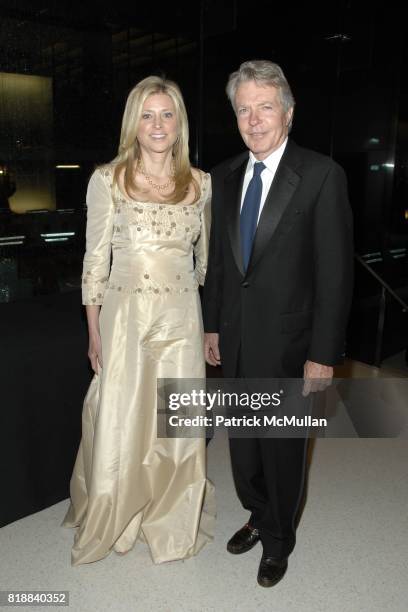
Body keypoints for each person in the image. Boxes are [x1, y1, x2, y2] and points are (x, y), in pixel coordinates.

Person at [203, 60, 353, 587]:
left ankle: (280, 539)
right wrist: (212, 327)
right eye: (244, 109)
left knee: (283, 447)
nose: (254, 119)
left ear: (287, 112)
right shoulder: (222, 177)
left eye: (265, 106)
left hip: (293, 346)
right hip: (237, 340)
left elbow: (334, 276)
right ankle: (258, 513)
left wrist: (323, 354)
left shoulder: (320, 175)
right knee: (243, 443)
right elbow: (222, 264)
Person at [62, 76, 215, 565]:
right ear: (134, 123)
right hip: (125, 317)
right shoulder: (107, 179)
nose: (157, 124)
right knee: (123, 417)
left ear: (179, 124)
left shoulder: (202, 183)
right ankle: (116, 513)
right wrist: (93, 328)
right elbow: (94, 262)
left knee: (178, 421)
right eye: (147, 115)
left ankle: (171, 516)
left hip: (181, 320)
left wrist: (186, 304)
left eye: (166, 114)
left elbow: (204, 262)